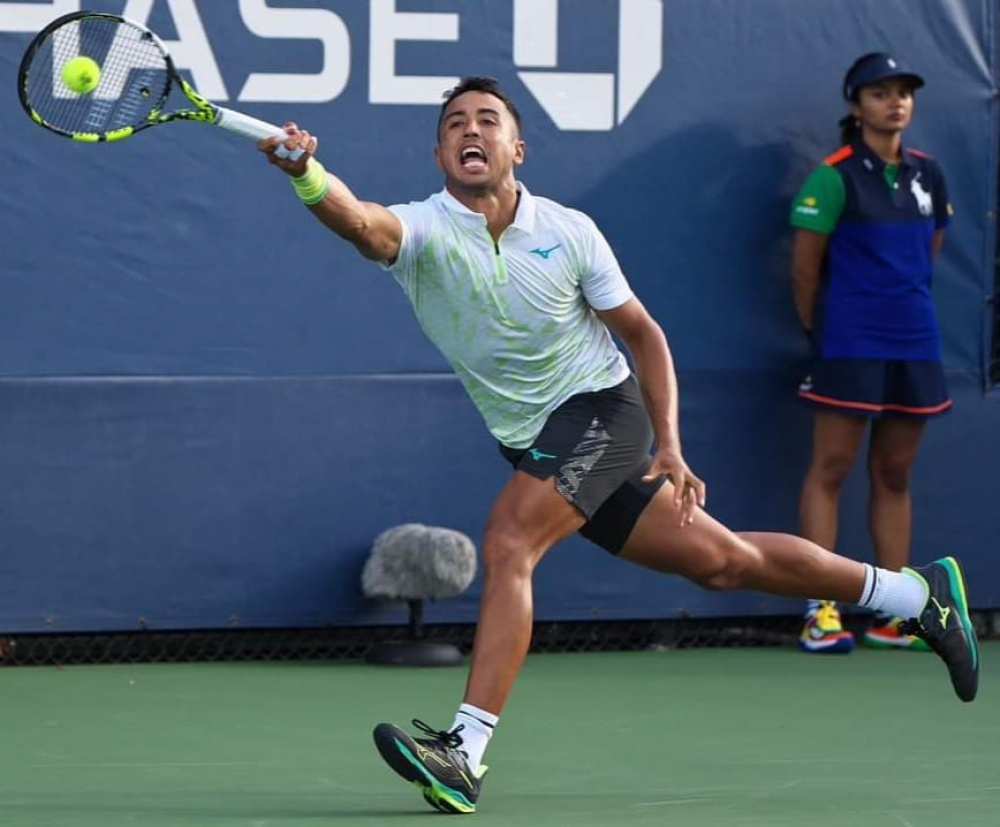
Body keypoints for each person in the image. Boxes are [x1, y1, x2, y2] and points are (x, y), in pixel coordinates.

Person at [258, 76, 978, 815]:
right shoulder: (423, 232)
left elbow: (643, 334)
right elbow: (360, 222)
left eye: (487, 120)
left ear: (517, 146)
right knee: (726, 563)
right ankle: (915, 594)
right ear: (440, 151)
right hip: (537, 443)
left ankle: (464, 750)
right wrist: (308, 174)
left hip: (604, 410)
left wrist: (669, 441)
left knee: (510, 541)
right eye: (454, 124)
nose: (470, 131)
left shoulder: (569, 231)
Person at [790, 54, 955, 655]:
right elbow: (805, 271)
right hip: (848, 343)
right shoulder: (832, 176)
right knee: (830, 468)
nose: (896, 102)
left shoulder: (929, 176)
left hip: (915, 342)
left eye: (904, 93)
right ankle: (820, 608)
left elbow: (929, 252)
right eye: (881, 93)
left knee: (894, 473)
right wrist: (825, 333)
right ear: (856, 106)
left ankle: (898, 613)